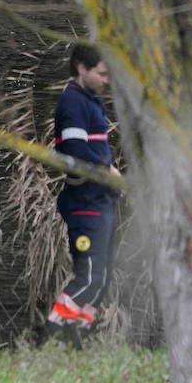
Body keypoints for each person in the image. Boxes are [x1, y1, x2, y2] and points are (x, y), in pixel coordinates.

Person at [43, 43, 120, 346]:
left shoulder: (91, 101)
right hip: (85, 202)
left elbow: (92, 149)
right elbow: (73, 150)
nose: (107, 81)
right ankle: (51, 336)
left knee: (101, 280)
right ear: (81, 68)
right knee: (89, 277)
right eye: (102, 74)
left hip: (100, 201)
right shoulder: (72, 103)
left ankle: (77, 340)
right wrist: (107, 169)